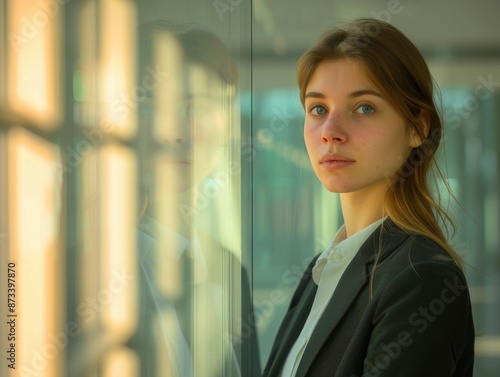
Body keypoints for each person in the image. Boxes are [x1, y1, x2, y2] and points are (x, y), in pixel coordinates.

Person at [263, 18, 475, 377]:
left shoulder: (421, 278)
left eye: (363, 107)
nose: (330, 132)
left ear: (417, 128)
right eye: (318, 109)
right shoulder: (322, 270)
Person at [128, 21, 260, 377]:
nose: (172, 132)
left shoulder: (231, 272)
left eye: (191, 109)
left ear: (225, 124)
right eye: (152, 108)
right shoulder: (89, 270)